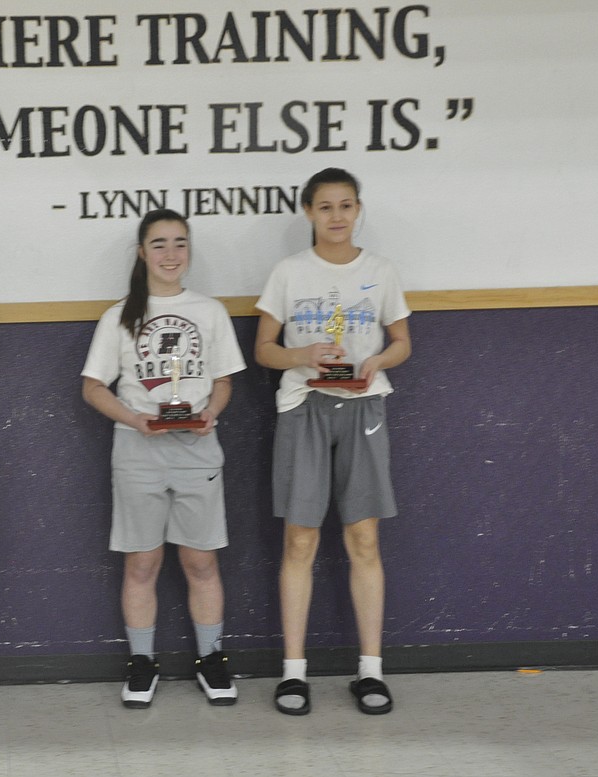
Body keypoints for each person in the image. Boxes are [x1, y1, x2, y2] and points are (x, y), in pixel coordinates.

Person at [253, 168, 412, 716]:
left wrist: (375, 361)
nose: (337, 216)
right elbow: (265, 350)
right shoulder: (289, 272)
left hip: (364, 406)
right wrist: (304, 355)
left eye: (346, 205)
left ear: (358, 209)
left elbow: (402, 343)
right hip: (304, 409)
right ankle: (293, 674)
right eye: (325, 207)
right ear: (308, 213)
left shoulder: (382, 270)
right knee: (299, 542)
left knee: (363, 541)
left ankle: (371, 671)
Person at [81, 208, 247, 709]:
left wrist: (211, 412)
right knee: (142, 562)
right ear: (141, 252)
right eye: (159, 244)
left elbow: (223, 380)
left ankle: (211, 657)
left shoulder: (210, 311)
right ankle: (142, 661)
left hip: (197, 447)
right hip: (137, 450)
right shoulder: (119, 316)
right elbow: (92, 387)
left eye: (180, 243)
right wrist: (135, 419)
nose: (171, 254)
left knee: (200, 560)